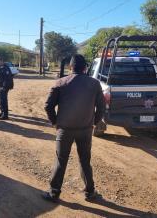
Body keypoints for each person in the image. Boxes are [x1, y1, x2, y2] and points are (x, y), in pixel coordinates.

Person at [43, 54, 105, 203]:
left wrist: (55, 123)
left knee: (61, 160)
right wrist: (93, 123)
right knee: (85, 160)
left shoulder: (60, 83)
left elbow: (48, 106)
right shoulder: (94, 84)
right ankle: (90, 192)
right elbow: (102, 108)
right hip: (85, 129)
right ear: (85, 68)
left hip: (64, 129)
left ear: (71, 67)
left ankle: (54, 192)